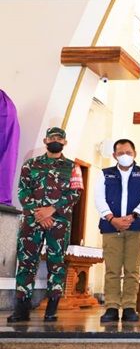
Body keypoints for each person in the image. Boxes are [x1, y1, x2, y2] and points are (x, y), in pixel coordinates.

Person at [7, 127, 83, 323]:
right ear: (45, 140)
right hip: (32, 222)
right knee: (26, 263)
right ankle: (21, 309)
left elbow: (75, 193)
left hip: (59, 223)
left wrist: (52, 210)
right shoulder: (31, 164)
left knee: (56, 264)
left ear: (65, 142)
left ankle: (51, 309)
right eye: (52, 137)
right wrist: (38, 213)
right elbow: (23, 191)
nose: (55, 140)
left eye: (59, 138)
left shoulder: (73, 167)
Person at [94, 139, 140, 323]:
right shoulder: (105, 174)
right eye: (120, 153)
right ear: (114, 156)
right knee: (112, 270)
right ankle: (111, 307)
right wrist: (112, 218)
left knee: (132, 270)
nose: (125, 156)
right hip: (111, 227)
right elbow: (99, 198)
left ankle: (129, 307)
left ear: (134, 153)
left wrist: (133, 217)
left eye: (128, 152)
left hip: (135, 227)